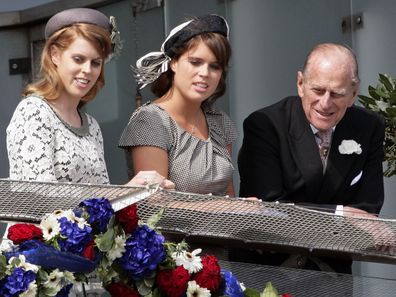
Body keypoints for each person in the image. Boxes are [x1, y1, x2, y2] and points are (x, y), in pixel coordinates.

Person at [236, 43, 386, 273]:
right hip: (270, 271)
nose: (325, 103)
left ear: (353, 94)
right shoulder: (265, 125)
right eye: (318, 90)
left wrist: (300, 212)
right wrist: (340, 214)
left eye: (336, 94)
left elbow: (368, 210)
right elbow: (267, 208)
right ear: (300, 84)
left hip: (334, 275)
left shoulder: (368, 127)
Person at [6, 7, 172, 189]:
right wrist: (124, 192)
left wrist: (141, 191)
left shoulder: (91, 125)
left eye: (95, 62)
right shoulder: (33, 112)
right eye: (78, 59)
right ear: (55, 55)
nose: (87, 70)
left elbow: (102, 205)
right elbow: (38, 195)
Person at [119, 14, 236, 196]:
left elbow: (229, 194)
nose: (205, 73)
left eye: (215, 66)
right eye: (195, 62)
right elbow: (154, 204)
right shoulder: (150, 120)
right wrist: (225, 208)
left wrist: (245, 209)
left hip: (224, 224)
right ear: (173, 62)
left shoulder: (219, 120)